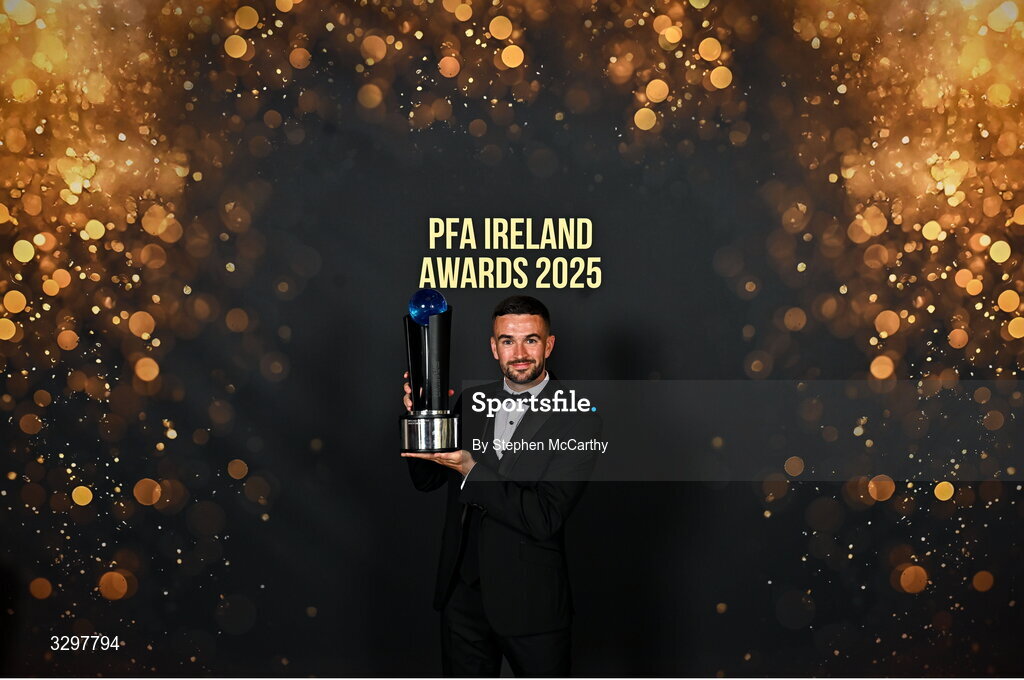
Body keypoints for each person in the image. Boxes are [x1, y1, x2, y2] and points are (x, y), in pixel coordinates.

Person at [401, 295, 601, 677]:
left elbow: (544, 517)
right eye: (508, 340)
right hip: (462, 598)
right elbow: (426, 479)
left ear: (549, 344)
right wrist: (420, 417)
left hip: (531, 603)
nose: (520, 352)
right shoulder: (472, 401)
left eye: (531, 339)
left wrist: (472, 470)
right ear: (494, 347)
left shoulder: (579, 417)